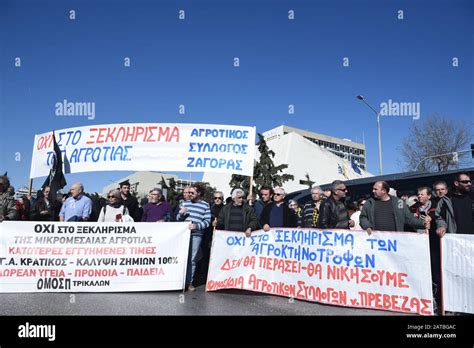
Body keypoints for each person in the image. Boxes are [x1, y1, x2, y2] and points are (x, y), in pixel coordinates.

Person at [176, 183, 211, 291]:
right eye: (189, 192)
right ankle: (179, 281)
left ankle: (189, 282)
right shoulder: (184, 203)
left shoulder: (205, 205)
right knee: (182, 257)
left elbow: (207, 221)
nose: (189, 194)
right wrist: (181, 214)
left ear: (199, 193)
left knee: (192, 259)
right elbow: (177, 219)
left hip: (196, 235)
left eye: (192, 193)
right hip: (184, 234)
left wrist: (196, 226)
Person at [360, 181, 428, 234]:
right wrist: (367, 226)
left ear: (384, 191)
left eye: (375, 189)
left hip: (394, 241)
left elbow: (409, 218)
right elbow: (363, 217)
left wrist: (422, 223)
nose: (373, 191)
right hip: (377, 240)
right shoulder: (369, 203)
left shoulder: (399, 202)